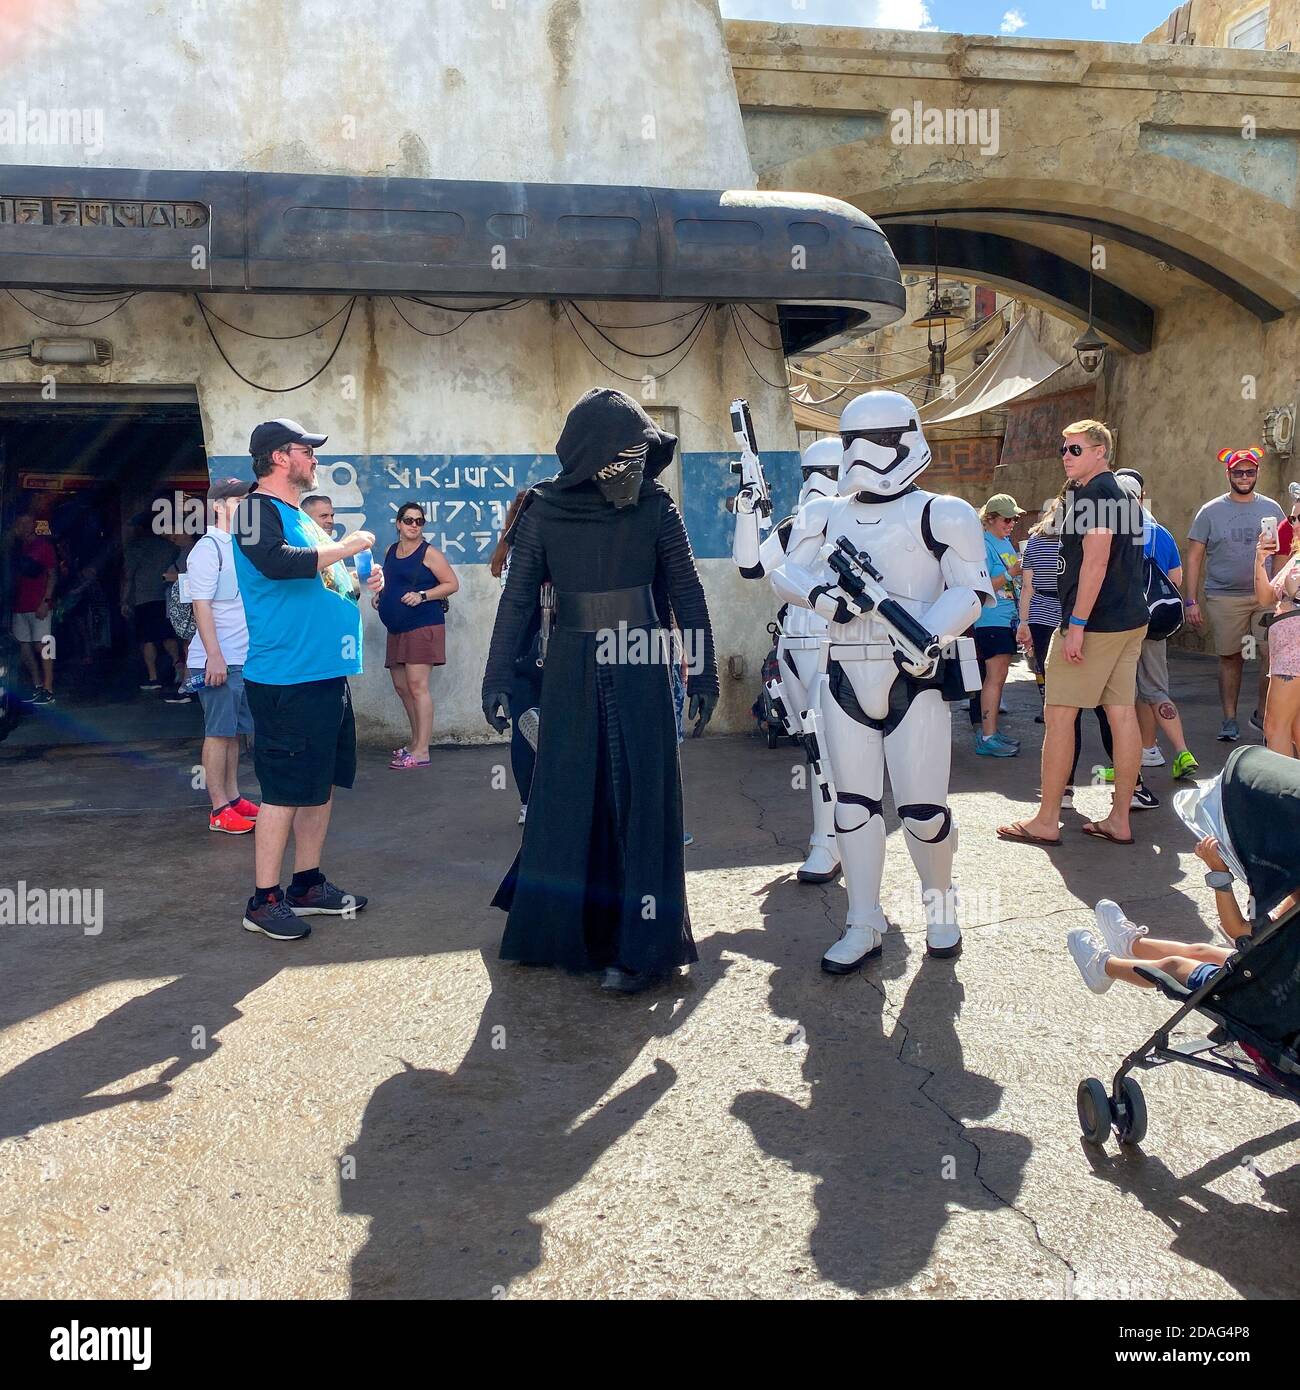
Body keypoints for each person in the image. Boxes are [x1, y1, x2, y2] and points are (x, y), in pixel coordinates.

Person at [481, 388, 718, 995]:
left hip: (641, 658)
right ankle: (560, 928)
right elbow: (517, 598)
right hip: (571, 662)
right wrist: (497, 674)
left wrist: (705, 668)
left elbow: (687, 594)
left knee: (642, 796)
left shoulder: (656, 509)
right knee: (567, 791)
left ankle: (642, 950)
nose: (634, 466)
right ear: (593, 455)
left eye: (641, 452)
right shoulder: (543, 511)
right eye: (623, 453)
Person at [771, 388, 992, 968]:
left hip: (912, 676)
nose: (867, 454)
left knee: (923, 811)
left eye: (883, 440)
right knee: (853, 806)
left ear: (909, 439)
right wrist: (824, 599)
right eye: (855, 442)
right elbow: (785, 573)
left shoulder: (943, 512)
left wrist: (927, 635)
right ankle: (863, 918)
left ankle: (940, 908)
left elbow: (971, 590)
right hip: (843, 671)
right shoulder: (825, 512)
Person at [232, 419, 384, 941]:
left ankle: (307, 884)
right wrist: (348, 547)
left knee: (318, 787)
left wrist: (361, 581)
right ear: (279, 457)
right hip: (286, 678)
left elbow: (332, 586)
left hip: (324, 674)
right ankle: (263, 899)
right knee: (284, 790)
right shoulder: (255, 510)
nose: (315, 459)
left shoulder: (301, 517)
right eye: (307, 451)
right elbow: (276, 565)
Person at [998, 419, 1148, 848]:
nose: (1066, 455)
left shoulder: (1098, 494)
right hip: (1126, 620)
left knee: (1060, 714)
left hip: (1096, 623)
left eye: (1075, 449)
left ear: (1101, 451)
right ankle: (1119, 818)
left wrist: (1077, 624)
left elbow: (1097, 563)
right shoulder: (1117, 495)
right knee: (1120, 713)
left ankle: (1047, 820)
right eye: (1064, 448)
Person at [732, 436, 843, 882]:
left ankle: (829, 842)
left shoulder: (864, 523)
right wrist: (746, 510)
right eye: (809, 474)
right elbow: (751, 567)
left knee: (829, 747)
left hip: (839, 645)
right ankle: (831, 840)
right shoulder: (795, 525)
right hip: (794, 645)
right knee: (815, 748)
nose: (818, 483)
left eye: (829, 474)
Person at [1066, 837, 1260, 994]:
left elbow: (1237, 931)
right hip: (1274, 969)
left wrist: (1220, 874)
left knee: (1174, 966)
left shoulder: (1292, 894)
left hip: (1268, 993)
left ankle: (1104, 968)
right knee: (1202, 952)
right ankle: (1131, 946)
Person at [1184, 447, 1284, 742]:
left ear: (1257, 474)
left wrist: (1279, 590)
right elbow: (1193, 558)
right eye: (1238, 472)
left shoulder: (1272, 509)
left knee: (1270, 653)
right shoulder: (1211, 511)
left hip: (1264, 595)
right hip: (1224, 597)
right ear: (1228, 474)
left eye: (1249, 472)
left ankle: (1262, 715)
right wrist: (1190, 601)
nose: (1244, 477)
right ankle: (1229, 718)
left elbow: (1281, 552)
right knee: (1231, 657)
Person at [1113, 468, 1198, 782]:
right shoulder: (1160, 533)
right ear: (1142, 497)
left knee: (1123, 695)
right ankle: (1179, 751)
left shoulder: (1111, 532)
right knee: (1156, 691)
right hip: (1154, 624)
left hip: (1120, 624)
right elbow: (1174, 580)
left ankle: (1127, 761)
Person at [186, 478, 261, 834]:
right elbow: (201, 606)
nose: (247, 504)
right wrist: (213, 656)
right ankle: (219, 809)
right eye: (239, 500)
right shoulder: (207, 549)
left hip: (243, 658)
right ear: (219, 506)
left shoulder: (241, 546)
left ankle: (233, 798)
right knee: (217, 733)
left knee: (232, 733)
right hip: (218, 660)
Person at [377, 501, 459, 769]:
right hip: (396, 628)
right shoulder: (390, 551)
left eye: (419, 521)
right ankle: (414, 743)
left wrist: (423, 595)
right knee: (402, 687)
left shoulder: (428, 553)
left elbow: (451, 584)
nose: (414, 525)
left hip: (422, 625)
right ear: (398, 523)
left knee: (417, 686)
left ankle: (422, 750)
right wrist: (381, 597)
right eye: (409, 520)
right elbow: (392, 582)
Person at [489, 489, 543, 825]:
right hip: (544, 646)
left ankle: (527, 802)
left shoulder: (506, 551)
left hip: (516, 651)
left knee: (524, 728)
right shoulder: (540, 550)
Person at [969, 493, 1024, 756]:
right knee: (994, 678)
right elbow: (981, 585)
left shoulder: (1004, 542)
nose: (1012, 523)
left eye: (1014, 519)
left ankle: (991, 731)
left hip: (1006, 618)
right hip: (991, 619)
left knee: (999, 678)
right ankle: (987, 736)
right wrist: (1010, 574)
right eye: (1007, 519)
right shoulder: (982, 544)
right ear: (990, 519)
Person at [1254, 518, 1300, 755]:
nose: (1294, 524)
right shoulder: (1296, 554)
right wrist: (1260, 560)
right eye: (1292, 518)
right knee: (1294, 729)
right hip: (1286, 655)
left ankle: (1282, 790)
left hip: (1294, 658)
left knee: (1274, 727)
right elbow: (1266, 598)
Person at [121, 513, 180, 692]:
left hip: (144, 597)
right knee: (168, 635)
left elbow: (128, 576)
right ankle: (179, 668)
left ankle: (153, 677)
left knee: (147, 639)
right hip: (167, 595)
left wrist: (124, 600)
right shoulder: (170, 546)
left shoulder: (135, 547)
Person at [10, 514, 57, 705]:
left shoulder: (43, 546)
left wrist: (46, 600)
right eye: (21, 522)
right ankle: (37, 684)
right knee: (23, 645)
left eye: (28, 522)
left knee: (43, 644)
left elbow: (52, 574)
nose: (25, 526)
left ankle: (49, 687)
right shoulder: (16, 548)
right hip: (20, 604)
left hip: (39, 603)